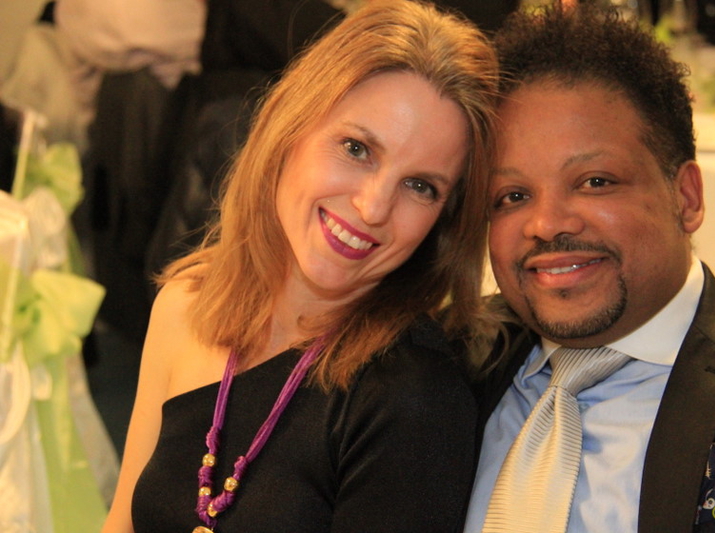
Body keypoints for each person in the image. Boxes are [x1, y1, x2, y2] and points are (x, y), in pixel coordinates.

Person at [101, 1, 499, 531]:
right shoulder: (186, 302)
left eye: (420, 186)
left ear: (443, 221)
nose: (373, 207)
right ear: (291, 126)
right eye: (357, 148)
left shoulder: (412, 398)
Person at [465, 3, 715, 533]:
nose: (546, 224)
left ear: (686, 197)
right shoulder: (441, 368)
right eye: (512, 195)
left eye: (595, 182)